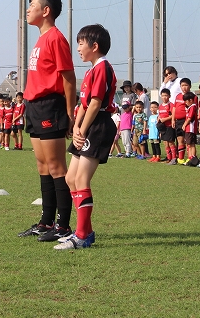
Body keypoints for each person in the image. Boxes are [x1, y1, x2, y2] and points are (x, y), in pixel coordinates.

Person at [18, 0, 77, 243]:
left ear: (46, 11)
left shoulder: (55, 38)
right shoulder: (41, 39)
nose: (28, 9)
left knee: (56, 167)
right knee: (42, 166)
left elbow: (69, 77)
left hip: (50, 106)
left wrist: (70, 112)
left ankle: (63, 226)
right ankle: (46, 222)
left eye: (32, 5)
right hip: (34, 105)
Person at [55, 24, 117, 250]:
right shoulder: (91, 71)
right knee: (71, 178)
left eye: (81, 44)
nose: (78, 48)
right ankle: (86, 232)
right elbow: (83, 104)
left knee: (81, 180)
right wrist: (76, 126)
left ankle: (81, 236)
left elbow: (96, 103)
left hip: (99, 124)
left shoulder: (103, 68)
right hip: (88, 125)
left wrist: (83, 128)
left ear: (95, 46)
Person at [155, 88, 174, 163]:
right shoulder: (160, 106)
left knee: (170, 142)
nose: (164, 97)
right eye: (163, 96)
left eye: (166, 95)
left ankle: (173, 158)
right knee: (165, 142)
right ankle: (168, 158)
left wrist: (165, 119)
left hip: (169, 126)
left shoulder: (171, 105)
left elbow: (173, 115)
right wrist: (158, 119)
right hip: (162, 127)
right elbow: (160, 115)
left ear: (169, 96)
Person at [181, 92, 199, 163]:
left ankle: (193, 158)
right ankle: (190, 157)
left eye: (186, 101)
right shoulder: (189, 107)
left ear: (191, 100)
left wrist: (184, 125)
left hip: (191, 129)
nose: (185, 103)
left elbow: (189, 118)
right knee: (189, 144)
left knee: (191, 144)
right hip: (188, 129)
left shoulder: (193, 107)